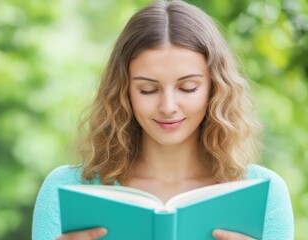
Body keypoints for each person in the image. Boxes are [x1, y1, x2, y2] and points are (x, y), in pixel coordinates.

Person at [32, 1, 294, 239]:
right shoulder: (66, 188)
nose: (168, 107)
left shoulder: (264, 194)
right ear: (124, 92)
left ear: (215, 89)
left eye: (188, 88)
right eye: (148, 89)